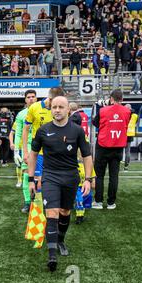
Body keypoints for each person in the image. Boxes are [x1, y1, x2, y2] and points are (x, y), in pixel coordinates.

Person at [28, 95, 93, 272]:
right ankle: (51, 255)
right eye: (54, 107)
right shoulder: (42, 130)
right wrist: (31, 179)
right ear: (51, 109)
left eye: (61, 107)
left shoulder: (77, 131)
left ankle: (61, 240)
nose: (57, 110)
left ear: (68, 110)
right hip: (50, 176)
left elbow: (87, 156)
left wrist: (88, 179)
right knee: (52, 212)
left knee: (65, 211)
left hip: (71, 177)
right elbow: (33, 155)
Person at [92, 90, 131, 210]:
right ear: (122, 99)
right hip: (118, 147)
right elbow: (126, 121)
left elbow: (95, 122)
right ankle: (111, 203)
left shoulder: (103, 110)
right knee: (114, 176)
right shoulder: (127, 111)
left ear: (111, 98)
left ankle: (98, 202)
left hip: (103, 146)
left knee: (99, 175)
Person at [23, 87, 66, 191]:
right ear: (50, 99)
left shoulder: (60, 110)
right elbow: (25, 130)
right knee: (37, 183)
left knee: (56, 182)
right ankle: (36, 206)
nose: (57, 108)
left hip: (56, 153)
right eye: (55, 104)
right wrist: (25, 152)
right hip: (38, 153)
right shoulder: (34, 108)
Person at [11, 90, 37, 213]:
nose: (31, 99)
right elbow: (18, 133)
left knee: (42, 175)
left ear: (36, 98)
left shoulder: (44, 111)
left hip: (42, 149)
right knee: (27, 175)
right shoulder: (21, 114)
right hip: (27, 149)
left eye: (33, 96)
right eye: (28, 97)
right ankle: (27, 202)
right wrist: (17, 150)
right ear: (25, 100)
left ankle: (39, 200)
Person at [124, 104, 139, 171]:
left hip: (123, 134)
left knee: (120, 150)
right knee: (128, 151)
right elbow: (136, 123)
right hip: (130, 134)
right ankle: (126, 166)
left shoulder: (123, 114)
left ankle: (119, 165)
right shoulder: (135, 115)